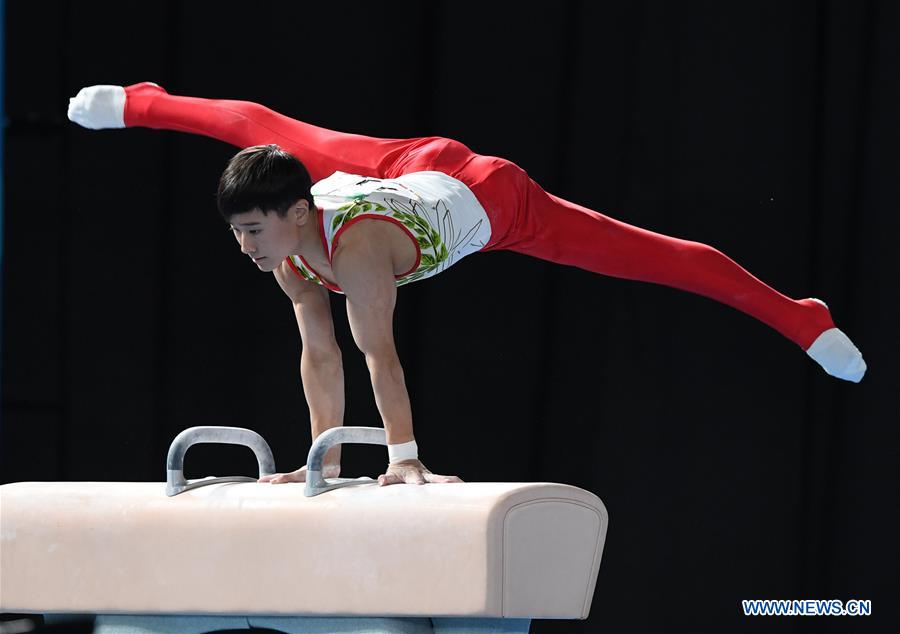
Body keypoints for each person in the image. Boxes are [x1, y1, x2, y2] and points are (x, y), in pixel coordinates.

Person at [67, 82, 867, 488]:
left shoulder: (359, 257)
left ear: (294, 214)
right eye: (238, 234)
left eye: (251, 230)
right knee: (257, 131)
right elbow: (319, 355)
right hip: (399, 167)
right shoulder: (289, 250)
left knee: (653, 257)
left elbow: (378, 358)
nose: (243, 247)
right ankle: (143, 102)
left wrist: (404, 458)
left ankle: (799, 317)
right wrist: (327, 457)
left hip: (491, 198)